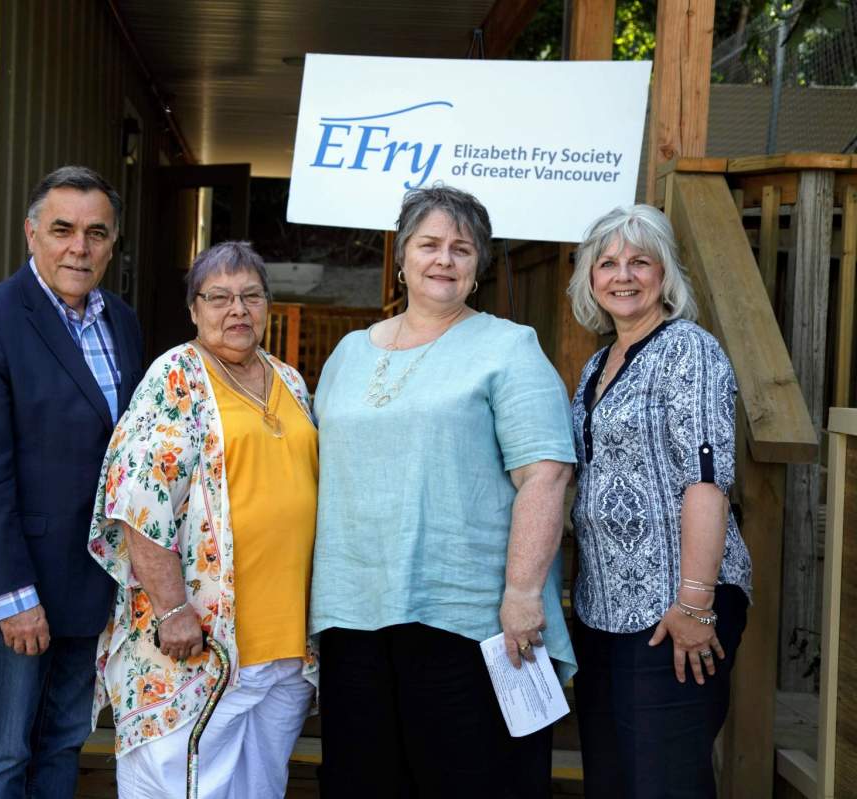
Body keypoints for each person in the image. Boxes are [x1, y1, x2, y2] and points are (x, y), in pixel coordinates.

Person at [309, 185, 577, 797]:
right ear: (401, 256)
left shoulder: (509, 348)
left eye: (461, 249)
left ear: (478, 266)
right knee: (364, 781)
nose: (444, 259)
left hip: (467, 616)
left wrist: (523, 592)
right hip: (354, 612)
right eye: (429, 244)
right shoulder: (349, 352)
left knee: (468, 779)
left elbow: (546, 473)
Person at [0, 166, 144, 797]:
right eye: (62, 229)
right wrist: (11, 594)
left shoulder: (124, 323)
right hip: (17, 588)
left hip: (92, 580)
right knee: (3, 757)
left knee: (61, 745)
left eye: (95, 233)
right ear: (32, 234)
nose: (78, 247)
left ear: (112, 244)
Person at [88, 241, 318, 798]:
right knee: (182, 789)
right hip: (200, 644)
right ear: (194, 308)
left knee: (258, 790)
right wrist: (172, 610)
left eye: (251, 296)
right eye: (219, 297)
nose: (237, 310)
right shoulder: (175, 379)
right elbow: (139, 505)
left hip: (284, 644)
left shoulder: (289, 379)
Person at [565, 204, 752, 798]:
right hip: (605, 609)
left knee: (664, 782)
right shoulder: (598, 362)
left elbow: (706, 479)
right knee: (613, 778)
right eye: (609, 263)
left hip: (674, 609)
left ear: (665, 274)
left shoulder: (687, 351)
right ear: (590, 278)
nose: (624, 275)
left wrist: (695, 606)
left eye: (640, 262)